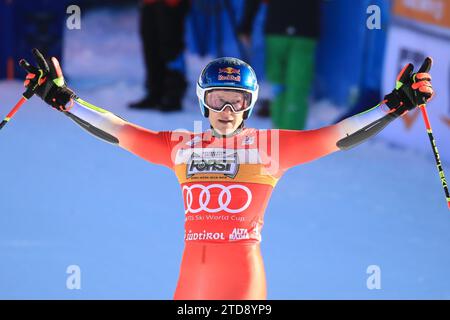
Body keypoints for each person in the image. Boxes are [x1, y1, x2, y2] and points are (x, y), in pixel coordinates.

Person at [20, 49, 434, 299]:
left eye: (237, 101)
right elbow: (119, 132)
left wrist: (393, 106)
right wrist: (66, 102)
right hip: (189, 282)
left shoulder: (272, 148)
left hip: (240, 283)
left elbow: (338, 135)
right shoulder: (182, 147)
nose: (226, 111)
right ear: (204, 101)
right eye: (218, 100)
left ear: (250, 104)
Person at [238, 0, 321, 129]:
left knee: (279, 86)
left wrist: (246, 25)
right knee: (296, 88)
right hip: (304, 29)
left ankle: (280, 136)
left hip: (277, 28)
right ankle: (290, 136)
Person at [129, 0, 189, 112]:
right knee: (150, 45)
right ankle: (155, 93)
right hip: (149, 3)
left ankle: (174, 93)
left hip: (171, 3)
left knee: (171, 45)